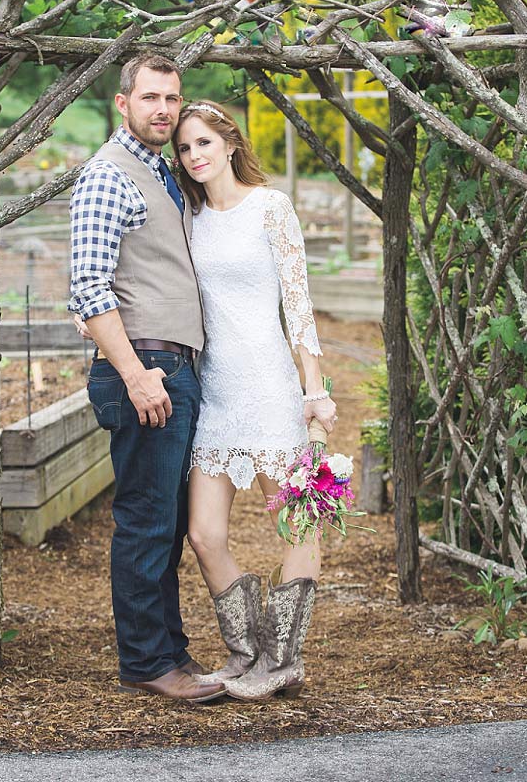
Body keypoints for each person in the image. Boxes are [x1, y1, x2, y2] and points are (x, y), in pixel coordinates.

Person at [68, 55, 224, 705]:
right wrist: (135, 374)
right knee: (143, 520)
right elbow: (87, 285)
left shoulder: (161, 173)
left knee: (165, 521)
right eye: (152, 96)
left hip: (172, 369)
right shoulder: (109, 174)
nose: (164, 108)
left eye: (173, 97)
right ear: (122, 102)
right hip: (146, 369)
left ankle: (169, 650)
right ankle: (146, 661)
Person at [173, 100, 337, 702]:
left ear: (230, 143)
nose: (194, 156)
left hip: (269, 387)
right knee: (204, 531)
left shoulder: (271, 207)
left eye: (203, 144)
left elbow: (298, 303)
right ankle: (248, 653)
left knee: (292, 522)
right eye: (185, 148)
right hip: (215, 391)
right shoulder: (189, 217)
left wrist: (313, 389)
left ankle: (285, 660)